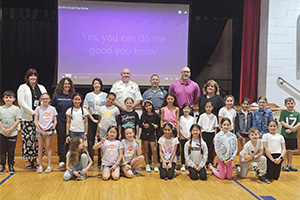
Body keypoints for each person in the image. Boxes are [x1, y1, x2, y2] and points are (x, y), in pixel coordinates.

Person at [17, 68, 47, 169]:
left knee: (38, 140)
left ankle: (35, 160)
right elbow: (21, 102)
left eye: (35, 76)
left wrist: (40, 113)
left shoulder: (42, 88)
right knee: (28, 140)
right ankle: (28, 160)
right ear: (27, 77)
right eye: (31, 76)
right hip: (27, 118)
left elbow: (45, 100)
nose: (33, 77)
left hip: (40, 119)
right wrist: (33, 112)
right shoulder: (22, 88)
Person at [51, 77, 75, 168]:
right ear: (62, 85)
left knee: (70, 141)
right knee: (61, 141)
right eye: (65, 84)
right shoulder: (57, 96)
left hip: (71, 122)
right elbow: (52, 109)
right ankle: (62, 159)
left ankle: (69, 159)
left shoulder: (72, 96)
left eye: (68, 84)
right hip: (60, 122)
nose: (67, 85)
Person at [84, 78, 107, 165]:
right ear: (92, 85)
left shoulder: (105, 95)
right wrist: (92, 119)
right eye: (95, 83)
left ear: (101, 85)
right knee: (90, 139)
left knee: (101, 139)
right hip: (91, 118)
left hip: (103, 118)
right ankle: (91, 160)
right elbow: (86, 108)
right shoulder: (88, 95)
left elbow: (107, 108)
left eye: (98, 83)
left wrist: (103, 118)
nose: (97, 85)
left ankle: (101, 161)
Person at [34, 93, 57, 173]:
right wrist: (40, 131)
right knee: (40, 148)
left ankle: (49, 165)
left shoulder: (52, 109)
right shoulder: (38, 109)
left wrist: (52, 130)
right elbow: (35, 120)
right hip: (40, 130)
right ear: (40, 100)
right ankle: (40, 165)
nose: (45, 100)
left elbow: (55, 121)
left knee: (48, 147)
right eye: (43, 99)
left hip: (48, 130)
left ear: (49, 99)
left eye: (47, 98)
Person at [0, 90, 22, 174]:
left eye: (10, 97)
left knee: (11, 151)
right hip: (2, 133)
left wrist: (9, 130)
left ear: (14, 99)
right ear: (3, 99)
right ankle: (2, 166)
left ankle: (11, 166)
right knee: (2, 150)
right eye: (6, 97)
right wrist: (3, 130)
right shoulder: (1, 108)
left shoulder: (16, 109)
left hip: (12, 133)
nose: (8, 99)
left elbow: (17, 120)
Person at [96, 92, 120, 165]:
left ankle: (112, 162)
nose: (110, 101)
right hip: (103, 130)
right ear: (106, 98)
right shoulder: (101, 108)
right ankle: (103, 163)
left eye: (112, 100)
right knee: (102, 147)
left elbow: (116, 119)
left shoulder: (115, 109)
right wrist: (97, 132)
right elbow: (99, 120)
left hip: (112, 131)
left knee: (111, 147)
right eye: (109, 99)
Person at [279, 97, 300, 172]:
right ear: (285, 105)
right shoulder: (283, 113)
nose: (290, 105)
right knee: (285, 150)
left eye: (292, 103)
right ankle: (284, 165)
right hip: (285, 135)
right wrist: (291, 127)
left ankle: (290, 164)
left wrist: (292, 129)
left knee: (291, 151)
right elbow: (282, 122)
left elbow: (299, 123)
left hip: (293, 135)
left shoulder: (297, 114)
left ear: (294, 104)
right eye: (288, 103)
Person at [140, 100, 160, 172]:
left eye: (149, 105)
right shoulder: (143, 115)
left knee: (154, 149)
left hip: (153, 134)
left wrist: (156, 126)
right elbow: (140, 124)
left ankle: (155, 165)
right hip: (145, 134)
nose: (148, 107)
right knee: (146, 149)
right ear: (144, 107)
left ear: (152, 106)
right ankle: (147, 164)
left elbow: (158, 124)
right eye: (146, 106)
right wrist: (143, 125)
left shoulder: (155, 115)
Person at [197, 101, 218, 167]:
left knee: (210, 149)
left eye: (210, 107)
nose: (208, 108)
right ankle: (203, 162)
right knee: (203, 149)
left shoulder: (214, 117)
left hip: (211, 134)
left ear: (212, 108)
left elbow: (215, 128)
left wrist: (215, 136)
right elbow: (199, 127)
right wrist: (200, 136)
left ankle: (210, 162)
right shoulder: (202, 116)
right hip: (204, 134)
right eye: (207, 107)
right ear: (205, 107)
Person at [179, 103, 194, 171]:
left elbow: (194, 129)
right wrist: (184, 136)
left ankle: (189, 164)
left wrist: (191, 136)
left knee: (190, 151)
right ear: (182, 109)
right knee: (183, 151)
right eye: (185, 108)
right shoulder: (181, 118)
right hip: (183, 137)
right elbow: (180, 129)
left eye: (188, 108)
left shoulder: (193, 119)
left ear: (190, 110)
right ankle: (182, 164)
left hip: (191, 138)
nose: (186, 110)